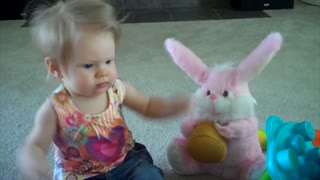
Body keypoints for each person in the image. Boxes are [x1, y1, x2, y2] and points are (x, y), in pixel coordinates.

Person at [16, 0, 190, 179]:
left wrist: (172, 106)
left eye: (108, 61)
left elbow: (147, 106)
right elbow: (35, 145)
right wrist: (32, 161)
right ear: (56, 68)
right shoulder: (54, 108)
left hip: (125, 162)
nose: (103, 72)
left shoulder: (117, 89)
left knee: (148, 176)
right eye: (88, 65)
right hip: (80, 175)